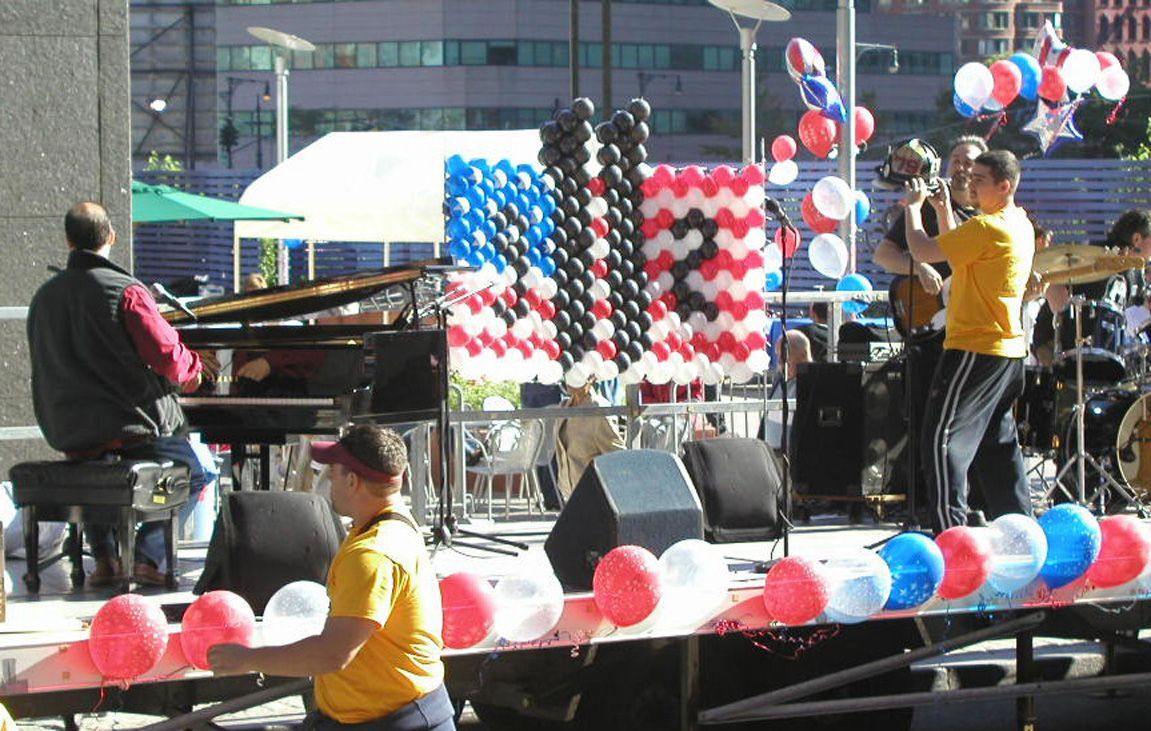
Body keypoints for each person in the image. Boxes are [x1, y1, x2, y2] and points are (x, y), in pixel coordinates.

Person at [209, 425, 455, 731]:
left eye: (334, 472)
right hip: (387, 717)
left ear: (352, 481)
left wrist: (246, 659)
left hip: (394, 722)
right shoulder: (394, 523)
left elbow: (332, 654)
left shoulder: (374, 554)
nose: (327, 480)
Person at [26, 202, 218, 586]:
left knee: (95, 464)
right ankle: (147, 558)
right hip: (132, 428)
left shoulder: (43, 298)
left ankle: (106, 560)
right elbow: (169, 359)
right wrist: (197, 370)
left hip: (70, 431)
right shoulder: (126, 292)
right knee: (198, 471)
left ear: (68, 240)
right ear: (112, 237)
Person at [903, 150, 1034, 533]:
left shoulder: (989, 228)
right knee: (998, 446)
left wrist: (913, 208)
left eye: (980, 179)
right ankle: (1022, 531)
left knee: (941, 442)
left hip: (976, 348)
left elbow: (924, 250)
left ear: (1004, 186)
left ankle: (951, 534)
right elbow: (961, 255)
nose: (969, 183)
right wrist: (944, 210)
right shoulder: (1017, 222)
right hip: (1007, 351)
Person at [872, 136, 987, 515]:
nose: (960, 168)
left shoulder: (988, 220)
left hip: (971, 330)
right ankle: (924, 500)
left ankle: (970, 500)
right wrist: (916, 264)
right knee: (924, 414)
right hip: (929, 329)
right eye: (955, 160)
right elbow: (884, 254)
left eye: (969, 161)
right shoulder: (928, 208)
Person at [1031, 209, 1151, 365]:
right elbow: (1053, 285)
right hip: (1055, 341)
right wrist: (1066, 321)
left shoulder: (1135, 273)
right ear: (1137, 239)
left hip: (1100, 348)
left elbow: (1138, 309)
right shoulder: (1094, 256)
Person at [554, 380, 626, 499]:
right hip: (569, 494)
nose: (570, 379)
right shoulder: (564, 407)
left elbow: (618, 456)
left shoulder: (598, 410)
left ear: (591, 378)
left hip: (594, 496)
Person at [758, 330, 812, 451]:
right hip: (771, 453)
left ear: (802, 355)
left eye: (784, 356)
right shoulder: (780, 379)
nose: (779, 362)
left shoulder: (812, 383)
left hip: (793, 457)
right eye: (778, 355)